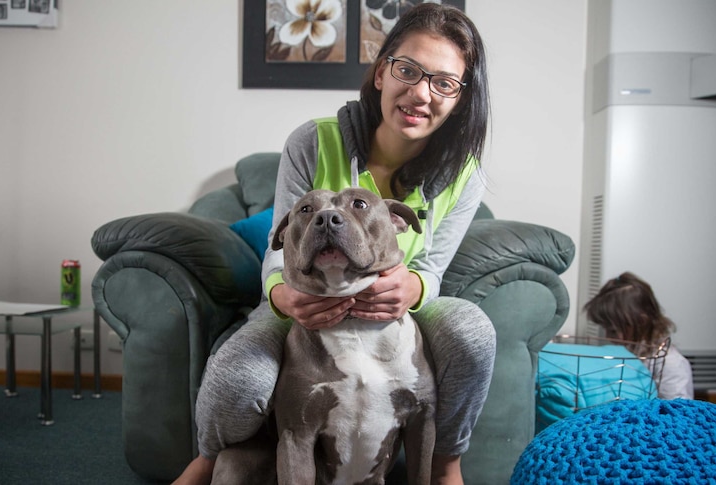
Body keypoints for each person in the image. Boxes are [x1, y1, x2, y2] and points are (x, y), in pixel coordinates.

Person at [173, 4, 495, 484]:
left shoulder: (464, 174)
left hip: (395, 301)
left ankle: (447, 464)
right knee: (241, 374)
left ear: (461, 97)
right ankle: (205, 462)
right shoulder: (312, 141)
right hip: (304, 295)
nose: (420, 92)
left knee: (473, 333)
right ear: (381, 72)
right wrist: (284, 297)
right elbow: (277, 250)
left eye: (444, 82)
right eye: (407, 70)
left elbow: (430, 264)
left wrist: (415, 289)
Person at [583, 272, 694, 400]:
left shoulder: (669, 364)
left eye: (613, 331)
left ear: (641, 322)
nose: (608, 337)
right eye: (605, 329)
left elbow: (677, 412)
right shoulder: (625, 353)